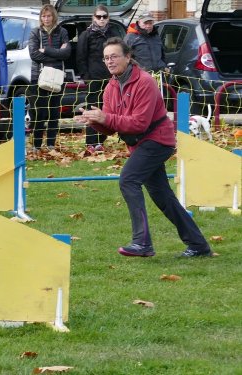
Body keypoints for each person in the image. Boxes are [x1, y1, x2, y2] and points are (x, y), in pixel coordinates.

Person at [75, 37, 212, 258]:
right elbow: (111, 128)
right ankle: (198, 245)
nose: (109, 62)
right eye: (106, 58)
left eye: (114, 56)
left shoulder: (145, 82)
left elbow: (139, 123)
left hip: (158, 141)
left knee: (128, 180)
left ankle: (142, 243)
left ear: (128, 57)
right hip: (140, 144)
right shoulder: (111, 86)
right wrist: (95, 121)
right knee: (163, 197)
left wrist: (105, 117)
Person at [76, 5, 120, 154]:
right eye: (98, 16)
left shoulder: (113, 34)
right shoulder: (86, 35)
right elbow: (81, 58)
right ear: (93, 18)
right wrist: (86, 77)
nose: (101, 19)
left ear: (108, 18)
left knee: (107, 109)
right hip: (93, 78)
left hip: (110, 78)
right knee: (92, 109)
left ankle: (100, 141)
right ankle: (91, 141)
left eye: (104, 16)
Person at [27, 4, 71, 152]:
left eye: (49, 16)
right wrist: (57, 53)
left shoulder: (63, 32)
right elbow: (34, 55)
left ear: (54, 17)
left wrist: (46, 50)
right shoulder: (35, 33)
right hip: (38, 77)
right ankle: (36, 145)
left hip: (58, 77)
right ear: (40, 18)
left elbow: (67, 53)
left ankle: (51, 144)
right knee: (40, 112)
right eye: (43, 16)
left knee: (54, 112)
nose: (46, 19)